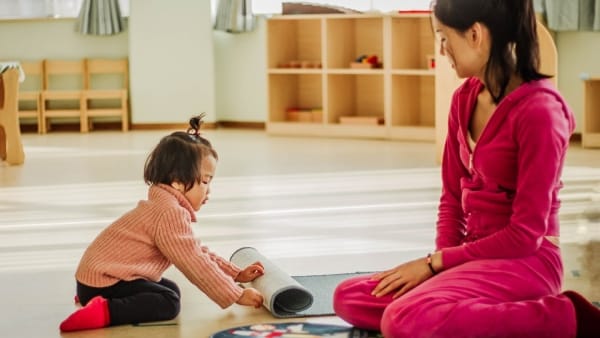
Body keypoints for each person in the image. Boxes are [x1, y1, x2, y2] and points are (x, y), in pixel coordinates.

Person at [333, 1, 600, 337]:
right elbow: (451, 198)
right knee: (349, 297)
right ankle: (470, 311)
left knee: (401, 318)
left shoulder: (541, 113)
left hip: (526, 260)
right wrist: (439, 265)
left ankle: (564, 316)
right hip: (472, 254)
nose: (442, 50)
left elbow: (525, 235)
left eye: (444, 38)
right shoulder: (463, 99)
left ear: (475, 34)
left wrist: (435, 264)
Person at [59, 115, 265, 332]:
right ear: (177, 181)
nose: (209, 190)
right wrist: (236, 293)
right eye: (205, 181)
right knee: (169, 302)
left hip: (94, 280)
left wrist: (235, 274)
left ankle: (96, 299)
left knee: (170, 289)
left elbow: (196, 251)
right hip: (103, 282)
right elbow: (194, 261)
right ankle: (104, 310)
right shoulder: (169, 213)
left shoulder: (164, 206)